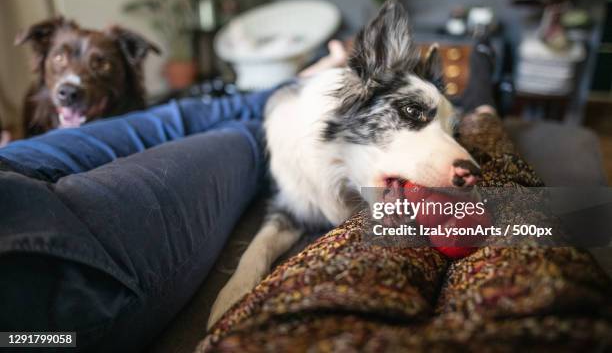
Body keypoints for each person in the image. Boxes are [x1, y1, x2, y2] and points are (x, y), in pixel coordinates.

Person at [0, 39, 502, 351]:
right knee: (241, 134)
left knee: (174, 116)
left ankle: (295, 81)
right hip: (49, 248)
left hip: (9, 179)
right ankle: (292, 85)